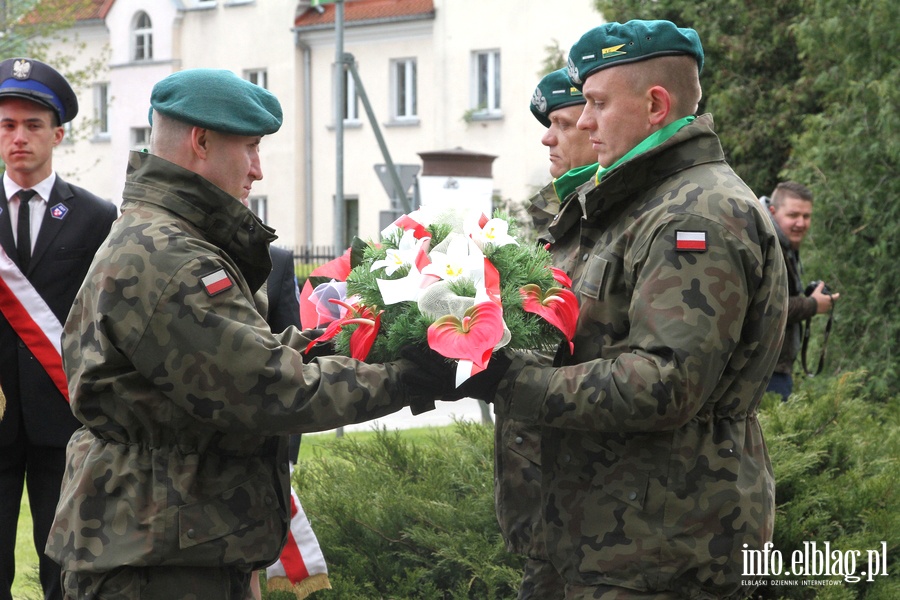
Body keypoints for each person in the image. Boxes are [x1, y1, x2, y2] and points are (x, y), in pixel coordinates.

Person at [410, 19, 788, 599]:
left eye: (595, 104)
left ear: (656, 105)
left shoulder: (694, 217)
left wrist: (510, 380)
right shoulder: (636, 204)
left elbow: (666, 382)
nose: (582, 122)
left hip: (661, 549)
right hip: (611, 535)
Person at [45, 68, 438, 600]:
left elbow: (249, 356)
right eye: (250, 147)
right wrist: (414, 376)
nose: (257, 169)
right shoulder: (169, 257)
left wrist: (361, 338)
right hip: (158, 561)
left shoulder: (171, 238)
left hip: (171, 541)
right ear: (200, 142)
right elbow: (269, 388)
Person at [0, 57, 118, 600]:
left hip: (65, 420)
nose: (19, 137)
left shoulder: (95, 216)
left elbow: (106, 316)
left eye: (32, 125)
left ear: (58, 133)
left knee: (64, 572)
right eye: (7, 125)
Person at [492, 68, 598, 600]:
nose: (546, 137)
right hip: (546, 491)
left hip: (592, 501)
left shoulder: (609, 219)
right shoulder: (555, 218)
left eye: (560, 122)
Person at [763, 181, 839, 400]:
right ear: (772, 211)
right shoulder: (766, 244)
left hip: (774, 366)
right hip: (764, 370)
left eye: (806, 216)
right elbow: (768, 308)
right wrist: (813, 305)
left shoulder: (782, 242)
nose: (801, 223)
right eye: (793, 215)